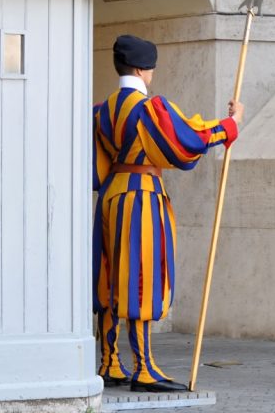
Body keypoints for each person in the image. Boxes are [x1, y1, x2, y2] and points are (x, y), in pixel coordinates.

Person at [93, 35, 244, 392]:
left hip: (110, 196)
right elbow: (186, 138)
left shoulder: (102, 109)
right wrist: (230, 125)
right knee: (141, 279)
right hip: (140, 196)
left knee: (110, 278)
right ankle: (144, 369)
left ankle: (109, 362)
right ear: (143, 69)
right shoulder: (147, 108)